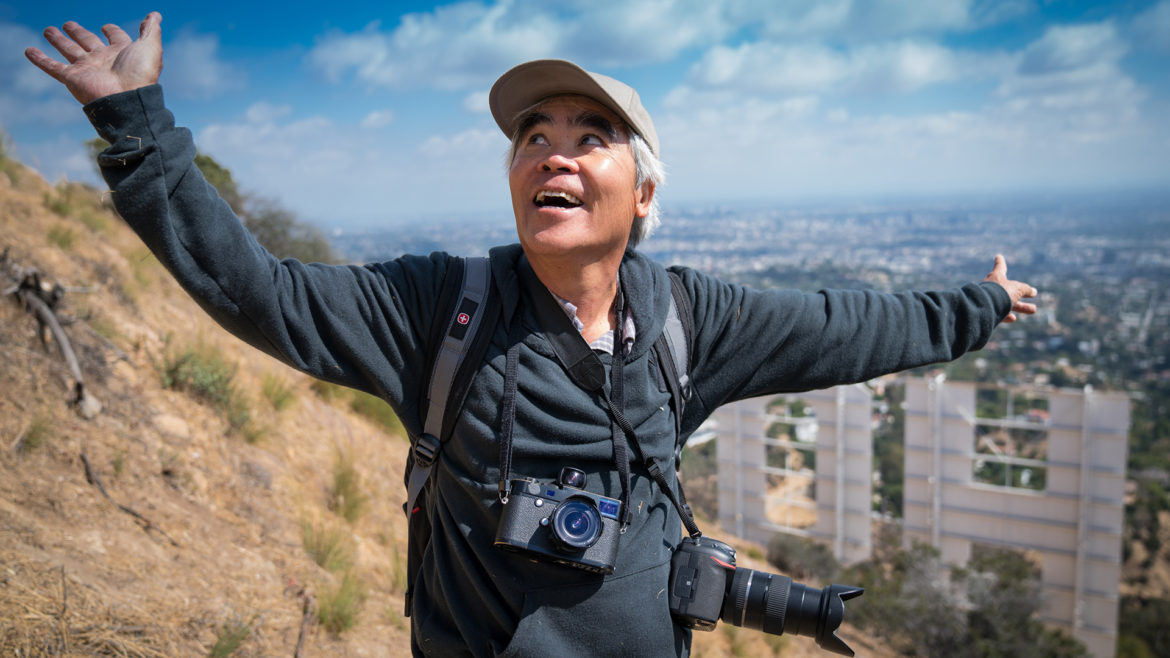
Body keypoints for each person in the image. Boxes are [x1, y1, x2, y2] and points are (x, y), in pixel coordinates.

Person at [26, 12, 1037, 657]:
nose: (551, 154)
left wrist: (979, 306)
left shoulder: (690, 319)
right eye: (532, 137)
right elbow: (260, 292)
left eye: (588, 137)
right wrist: (137, 128)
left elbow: (846, 328)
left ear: (642, 194)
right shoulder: (442, 308)